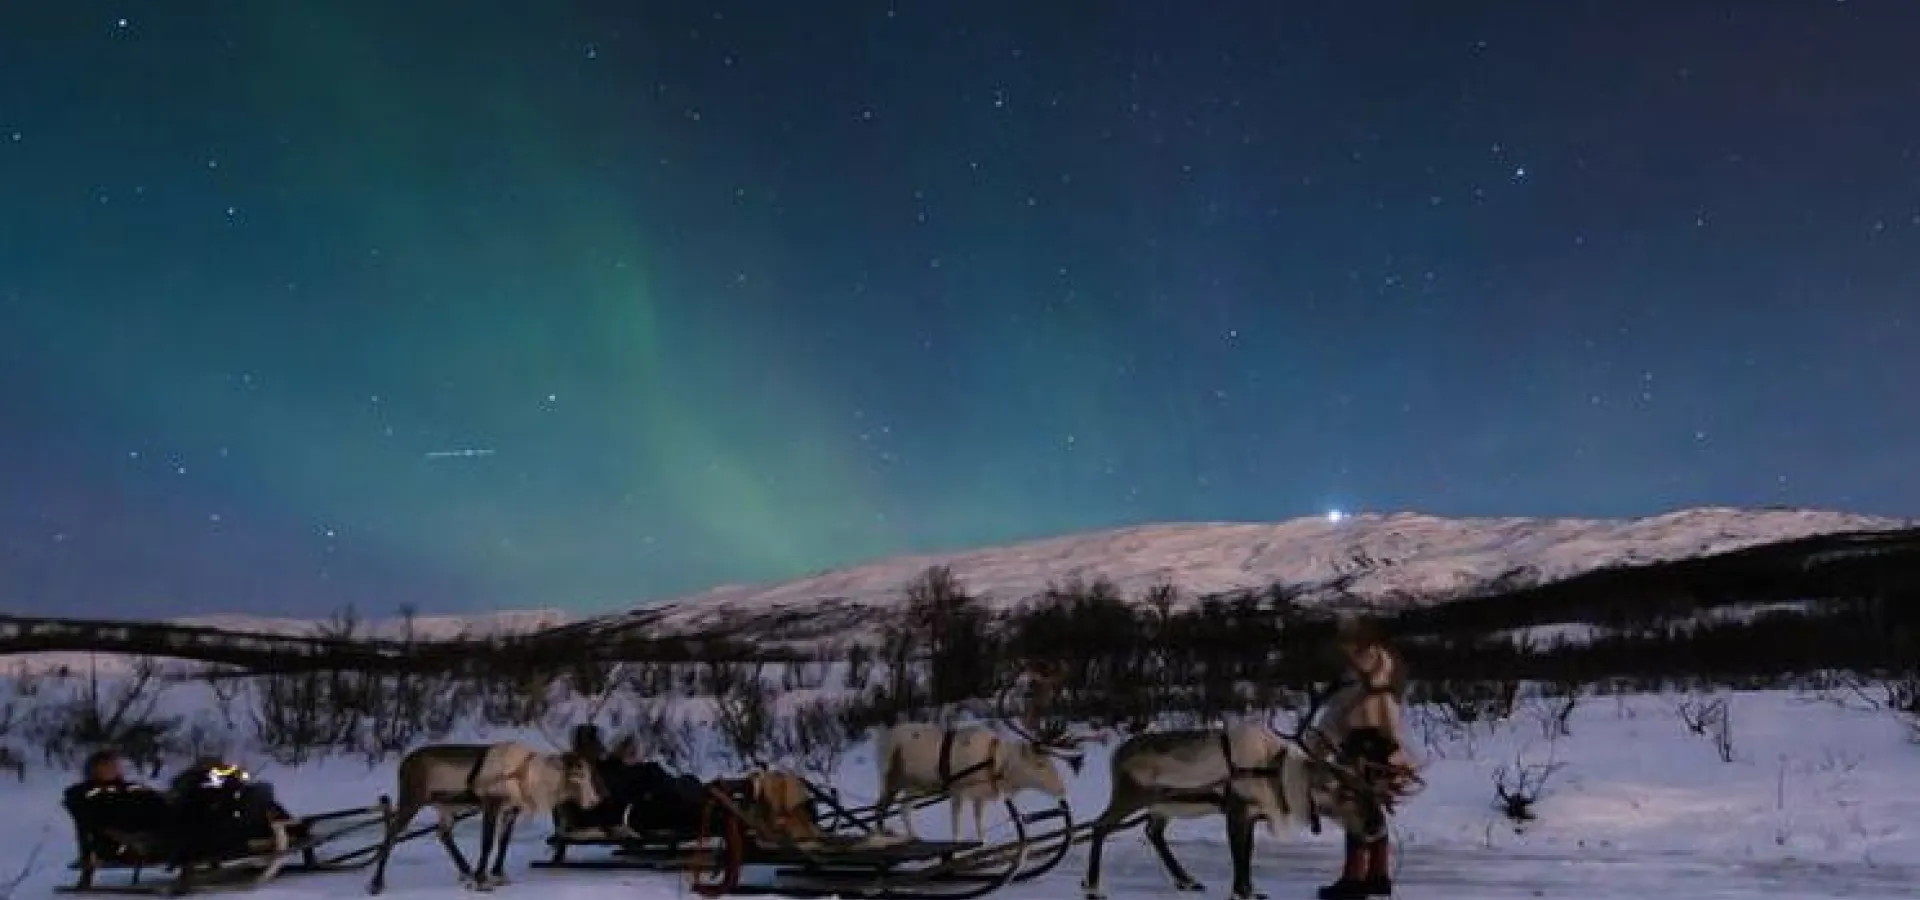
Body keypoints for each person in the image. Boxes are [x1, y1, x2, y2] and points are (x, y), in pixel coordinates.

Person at [1312, 616, 1415, 900]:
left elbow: (1338, 712)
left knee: (1353, 809)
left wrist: (1317, 745)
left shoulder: (1358, 670)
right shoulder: (1388, 664)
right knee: (1372, 808)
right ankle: (1378, 875)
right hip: (1385, 744)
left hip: (1359, 747)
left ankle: (1354, 879)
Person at [62, 750, 174, 861]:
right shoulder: (84, 793)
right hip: (114, 843)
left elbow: (156, 799)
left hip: (148, 834)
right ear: (95, 769)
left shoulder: (128, 788)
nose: (114, 768)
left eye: (114, 765)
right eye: (107, 765)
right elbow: (88, 819)